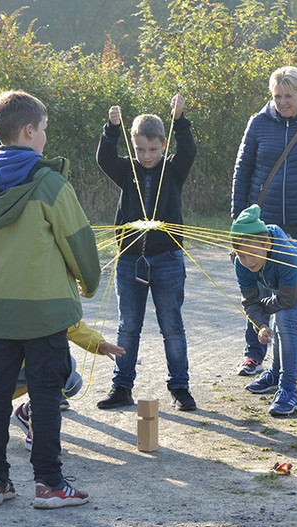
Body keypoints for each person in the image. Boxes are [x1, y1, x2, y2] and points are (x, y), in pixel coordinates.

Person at [0, 90, 100, 508]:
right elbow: (79, 245)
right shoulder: (50, 183)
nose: (45, 137)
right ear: (28, 130)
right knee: (44, 395)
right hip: (43, 309)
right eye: (43, 129)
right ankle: (49, 483)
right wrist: (88, 283)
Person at [231, 66, 297, 376]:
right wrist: (238, 219)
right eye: (277, 96)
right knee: (256, 283)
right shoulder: (258, 124)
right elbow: (242, 172)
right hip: (261, 222)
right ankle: (254, 353)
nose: (282, 102)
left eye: (288, 96)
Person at [95, 93, 197, 411]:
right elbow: (104, 158)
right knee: (128, 324)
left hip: (167, 258)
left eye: (153, 149)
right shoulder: (126, 169)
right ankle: (122, 386)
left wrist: (180, 120)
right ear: (132, 146)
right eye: (139, 149)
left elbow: (190, 149)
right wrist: (111, 129)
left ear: (164, 145)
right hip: (129, 260)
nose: (146, 155)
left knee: (172, 324)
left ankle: (180, 387)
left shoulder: (173, 169)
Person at [230, 205, 297, 415]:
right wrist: (262, 324)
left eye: (252, 253)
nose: (248, 261)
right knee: (278, 319)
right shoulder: (242, 263)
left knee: (286, 319)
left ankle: (289, 391)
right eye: (241, 255)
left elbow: (287, 300)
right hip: (289, 287)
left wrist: (261, 308)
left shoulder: (285, 255)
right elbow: (250, 301)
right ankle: (274, 374)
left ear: (267, 243)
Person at [11, 321, 125, 451]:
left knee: (73, 382)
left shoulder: (54, 305)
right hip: (8, 370)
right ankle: (38, 434)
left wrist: (98, 344)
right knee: (63, 363)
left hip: (34, 364)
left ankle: (26, 412)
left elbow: (71, 325)